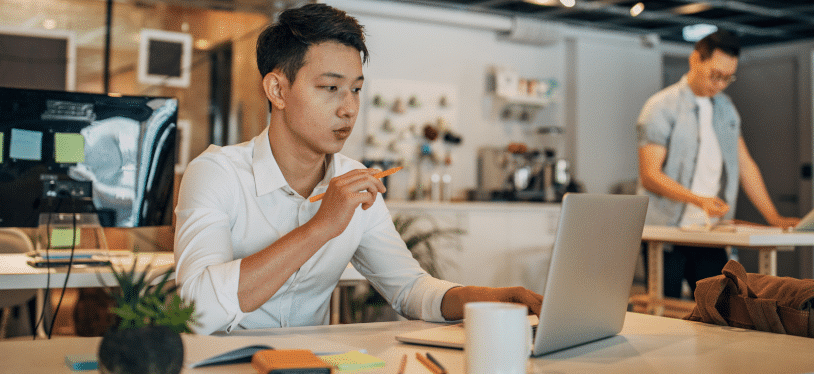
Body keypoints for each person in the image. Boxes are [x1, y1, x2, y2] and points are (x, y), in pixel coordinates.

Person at [174, 3, 542, 334]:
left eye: (356, 90)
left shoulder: (353, 179)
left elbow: (410, 289)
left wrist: (495, 298)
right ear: (277, 90)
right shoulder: (216, 173)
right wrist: (321, 227)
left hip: (310, 364)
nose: (349, 109)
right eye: (331, 87)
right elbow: (196, 311)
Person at [636, 29, 800, 299]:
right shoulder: (660, 107)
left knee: (719, 311)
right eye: (715, 74)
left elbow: (746, 166)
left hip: (710, 231)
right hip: (666, 233)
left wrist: (774, 218)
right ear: (695, 60)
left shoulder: (726, 109)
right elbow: (650, 175)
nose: (720, 84)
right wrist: (699, 200)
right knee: (666, 316)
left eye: (728, 78)